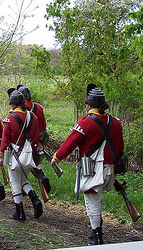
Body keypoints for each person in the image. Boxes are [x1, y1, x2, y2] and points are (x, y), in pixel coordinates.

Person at [51, 84, 124, 245]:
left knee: (92, 201)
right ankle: (95, 230)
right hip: (110, 168)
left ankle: (97, 236)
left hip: (93, 168)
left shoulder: (85, 123)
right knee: (95, 201)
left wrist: (56, 157)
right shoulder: (115, 122)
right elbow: (120, 148)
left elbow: (69, 144)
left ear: (89, 105)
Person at [0, 89, 43, 221]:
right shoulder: (32, 116)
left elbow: (5, 141)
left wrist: (1, 157)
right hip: (28, 154)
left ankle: (20, 212)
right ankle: (35, 199)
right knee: (24, 180)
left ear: (12, 103)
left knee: (15, 182)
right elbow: (36, 137)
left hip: (15, 155)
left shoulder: (9, 119)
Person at [17, 85, 51, 193]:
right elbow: (43, 124)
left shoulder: (21, 109)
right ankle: (41, 176)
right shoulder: (39, 107)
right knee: (34, 160)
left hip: (26, 140)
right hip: (39, 138)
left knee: (26, 162)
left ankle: (27, 185)